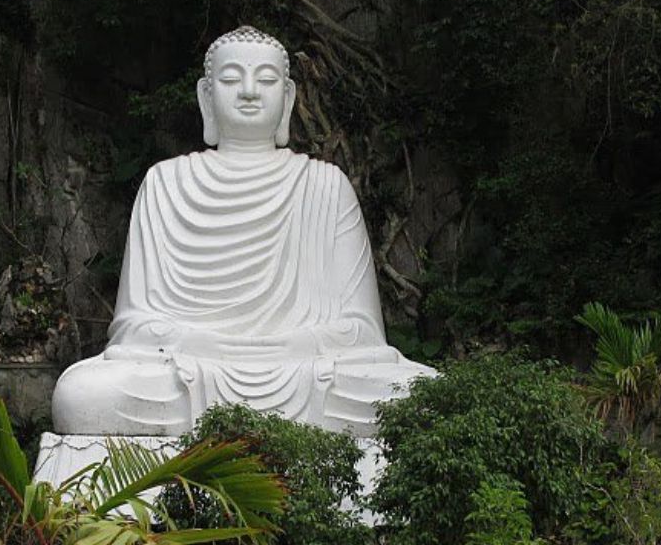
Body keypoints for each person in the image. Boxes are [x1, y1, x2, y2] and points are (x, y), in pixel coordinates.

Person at [51, 26, 433, 437]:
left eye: (266, 81)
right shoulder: (165, 183)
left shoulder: (325, 186)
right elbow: (136, 326)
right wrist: (204, 345)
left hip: (306, 370)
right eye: (232, 80)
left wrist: (295, 346)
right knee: (81, 396)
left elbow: (361, 330)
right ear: (205, 96)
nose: (249, 92)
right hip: (191, 370)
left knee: (424, 396)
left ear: (287, 98)